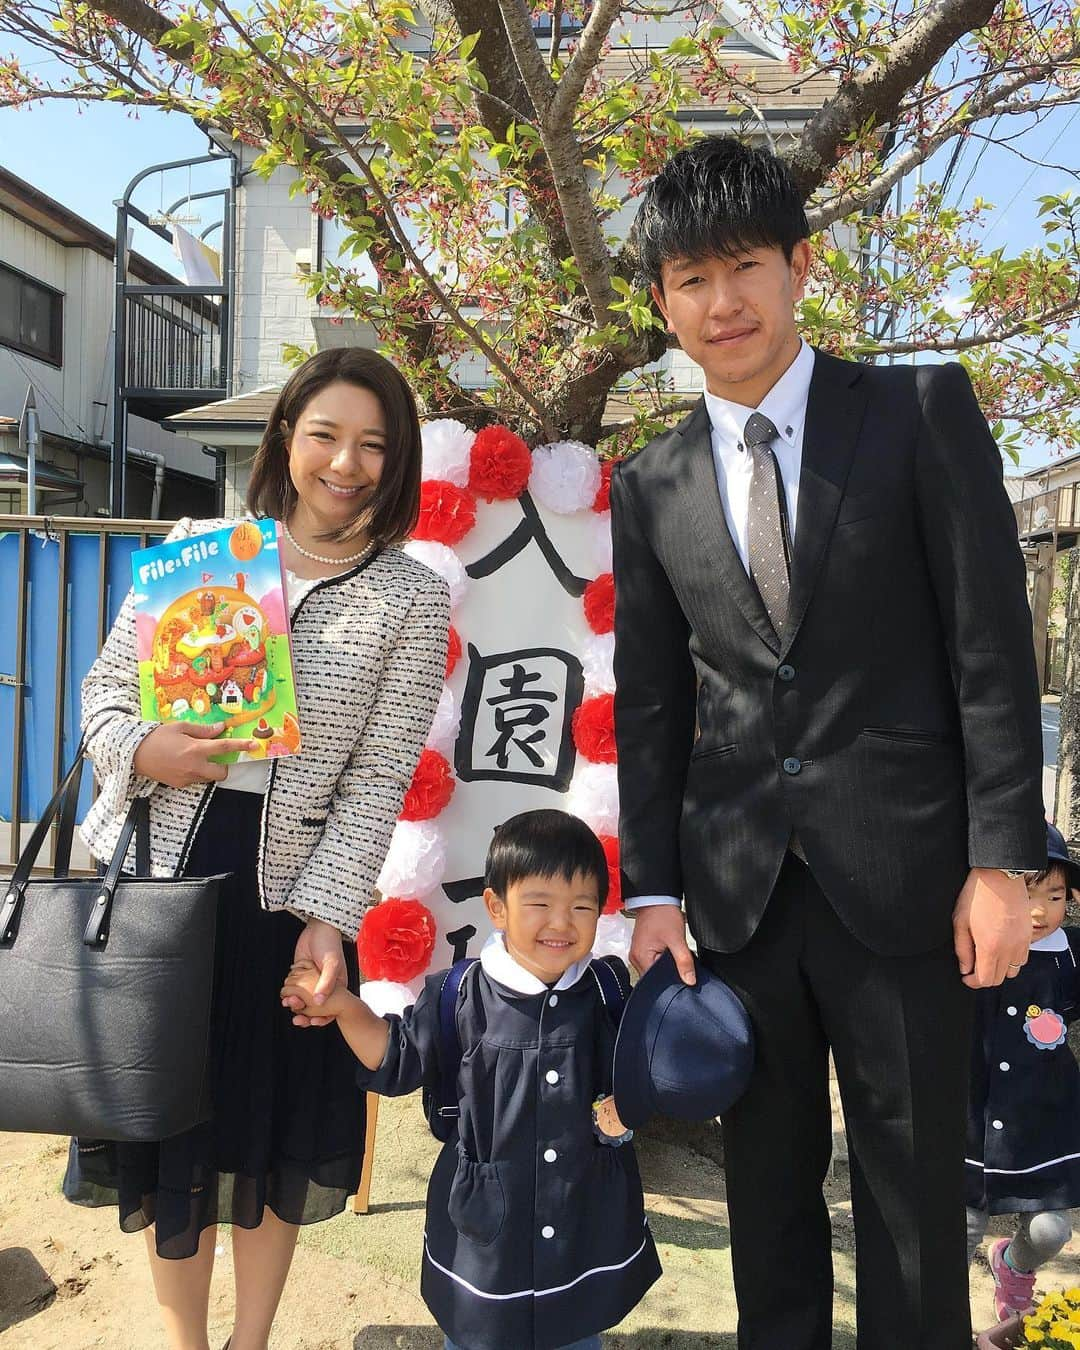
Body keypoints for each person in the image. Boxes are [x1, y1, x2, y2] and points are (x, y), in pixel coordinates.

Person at [610, 135, 1045, 1349]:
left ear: (802, 265)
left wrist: (1002, 856)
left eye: (744, 265)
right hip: (739, 895)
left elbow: (990, 645)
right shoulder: (649, 482)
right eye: (690, 279)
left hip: (910, 880)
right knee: (766, 1195)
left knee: (911, 1199)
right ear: (663, 303)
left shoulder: (915, 411)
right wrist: (650, 889)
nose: (721, 301)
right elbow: (650, 702)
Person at [64, 347, 450, 1350]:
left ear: (397, 462)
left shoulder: (409, 597)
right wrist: (144, 743)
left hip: (289, 901)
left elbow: (375, 781)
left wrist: (328, 921)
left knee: (273, 1130)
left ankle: (252, 1341)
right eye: (325, 434)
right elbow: (103, 695)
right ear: (286, 436)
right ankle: (185, 1343)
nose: (346, 462)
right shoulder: (203, 547)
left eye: (373, 444)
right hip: (159, 878)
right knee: (171, 1130)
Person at [280, 808, 661, 1350]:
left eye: (582, 906)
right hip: (486, 1229)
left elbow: (646, 1071)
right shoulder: (459, 994)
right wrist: (343, 1007)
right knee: (478, 1336)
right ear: (495, 907)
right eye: (540, 904)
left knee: (576, 1331)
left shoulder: (606, 990)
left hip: (584, 1216)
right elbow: (394, 1057)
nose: (561, 923)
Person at [967, 822, 1080, 1322]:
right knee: (959, 1230)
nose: (1040, 911)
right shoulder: (968, 941)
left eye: (1055, 895)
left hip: (1044, 1123)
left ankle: (1013, 1268)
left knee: (1051, 1231)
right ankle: (937, 1321)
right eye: (1028, 892)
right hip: (969, 1119)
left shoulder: (1071, 955)